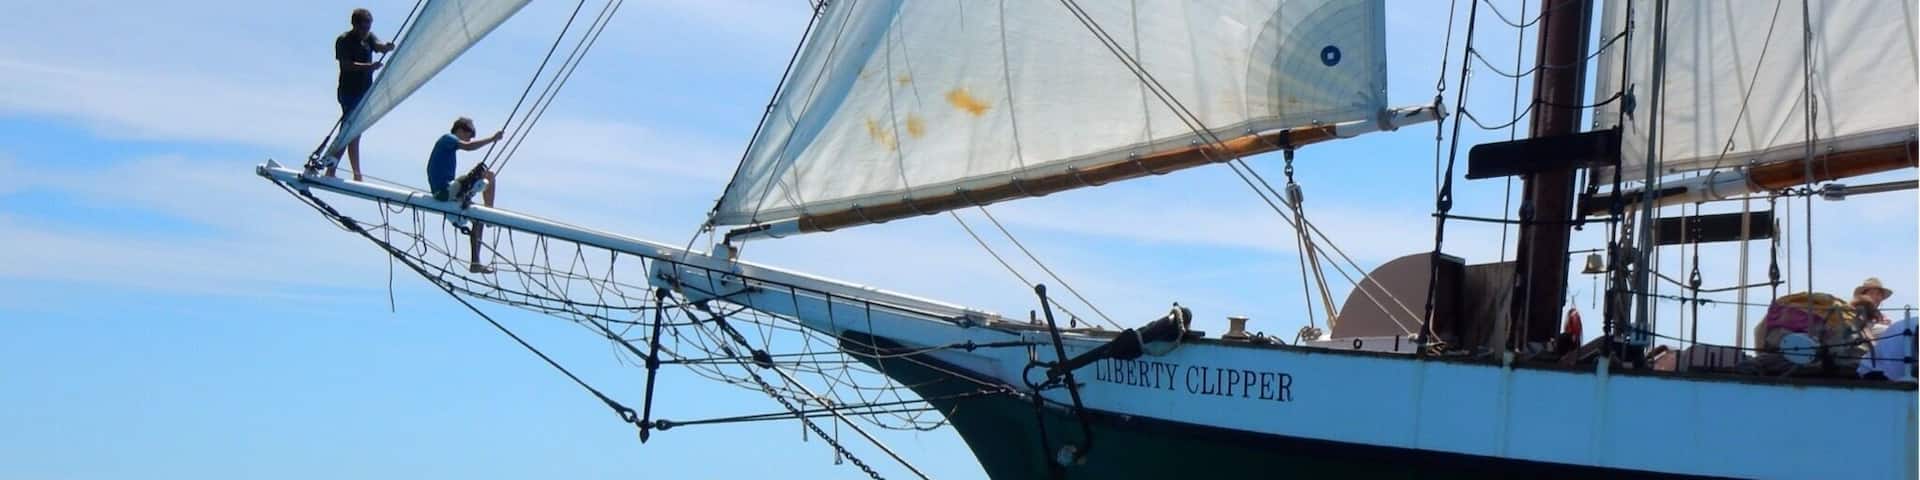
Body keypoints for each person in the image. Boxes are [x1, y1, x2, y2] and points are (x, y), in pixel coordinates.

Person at [429, 117, 505, 273]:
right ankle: (490, 214)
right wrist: (492, 139)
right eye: (471, 133)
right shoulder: (447, 139)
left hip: (448, 193)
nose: (471, 137)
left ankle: (475, 262)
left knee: (478, 219)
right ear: (460, 129)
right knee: (487, 175)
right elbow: (469, 147)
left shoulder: (449, 146)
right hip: (444, 192)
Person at [332, 8, 396, 181]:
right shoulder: (344, 41)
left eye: (368, 27)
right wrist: (369, 67)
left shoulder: (369, 37)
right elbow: (347, 65)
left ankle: (356, 173)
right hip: (349, 91)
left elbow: (379, 46)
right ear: (354, 25)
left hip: (364, 92)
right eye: (362, 27)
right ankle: (332, 168)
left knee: (355, 131)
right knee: (348, 130)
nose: (365, 31)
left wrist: (387, 48)